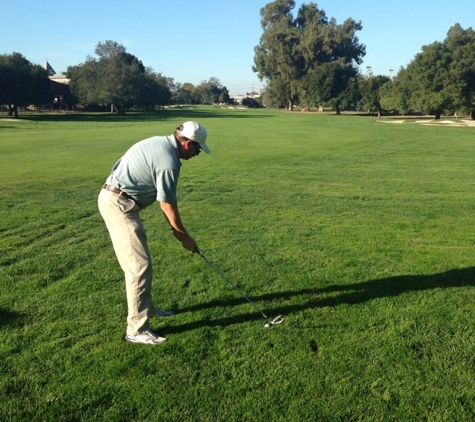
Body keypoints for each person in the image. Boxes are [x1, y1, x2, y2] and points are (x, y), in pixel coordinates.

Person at [98, 121, 210, 345]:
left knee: (141, 262)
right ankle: (137, 330)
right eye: (198, 148)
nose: (198, 153)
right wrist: (184, 236)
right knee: (138, 267)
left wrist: (179, 233)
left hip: (118, 198)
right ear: (187, 143)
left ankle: (146, 309)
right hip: (119, 205)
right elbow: (167, 204)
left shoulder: (159, 143)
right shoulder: (169, 161)